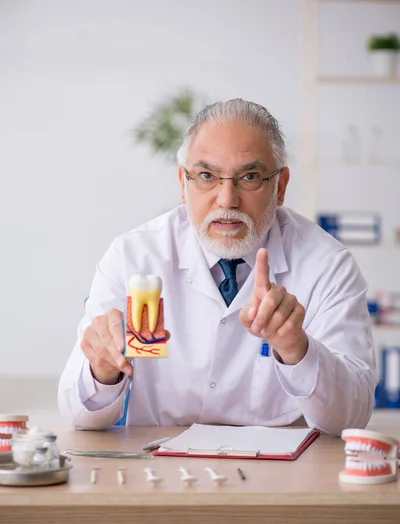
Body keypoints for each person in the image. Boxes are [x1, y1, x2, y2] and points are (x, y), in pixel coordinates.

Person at [58, 98, 377, 436]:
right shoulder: (134, 256)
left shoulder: (327, 265)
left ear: (280, 187)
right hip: (157, 465)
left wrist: (297, 350)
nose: (227, 200)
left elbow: (351, 418)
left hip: (282, 470)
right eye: (207, 176)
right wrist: (103, 372)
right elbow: (79, 416)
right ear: (183, 183)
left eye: (250, 176)